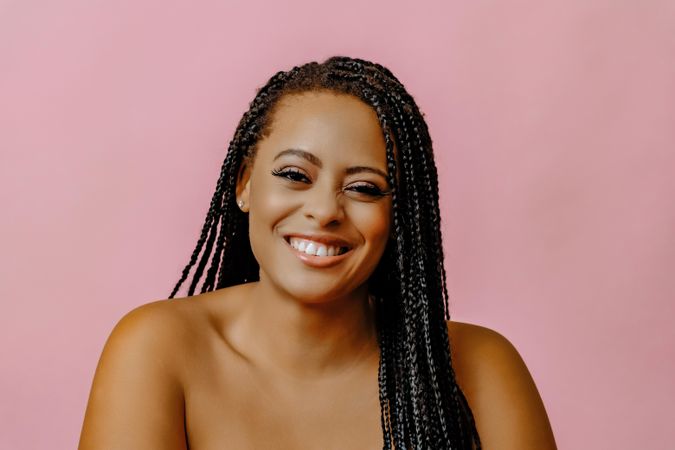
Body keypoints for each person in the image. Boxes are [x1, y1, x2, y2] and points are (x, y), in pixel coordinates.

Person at [79, 56, 557, 449]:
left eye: (365, 188)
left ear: (399, 215)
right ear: (245, 184)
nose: (325, 210)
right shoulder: (158, 349)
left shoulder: (481, 368)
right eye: (294, 175)